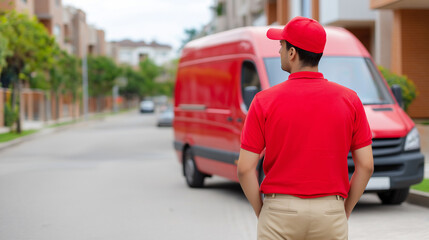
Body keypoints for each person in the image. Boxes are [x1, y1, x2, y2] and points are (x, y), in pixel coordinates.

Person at [237, 16, 374, 240]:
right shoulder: (350, 100)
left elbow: (244, 168)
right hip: (330, 211)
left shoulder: (264, 101)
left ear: (292, 53)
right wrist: (344, 209)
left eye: (281, 45)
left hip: (279, 211)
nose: (279, 51)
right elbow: (366, 166)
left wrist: (262, 211)